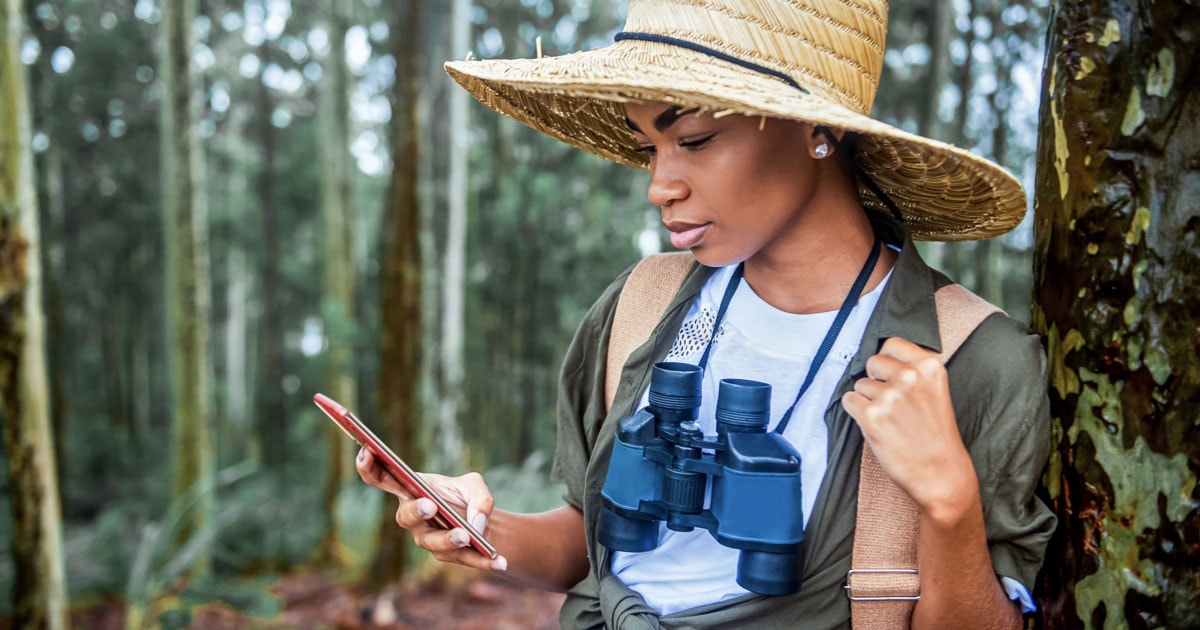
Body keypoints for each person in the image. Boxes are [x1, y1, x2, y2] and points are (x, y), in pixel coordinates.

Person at [356, 0, 1056, 627]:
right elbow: (586, 545)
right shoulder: (642, 306)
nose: (660, 185)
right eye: (646, 147)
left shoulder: (971, 359)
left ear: (817, 129)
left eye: (691, 139)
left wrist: (950, 502)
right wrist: (477, 526)